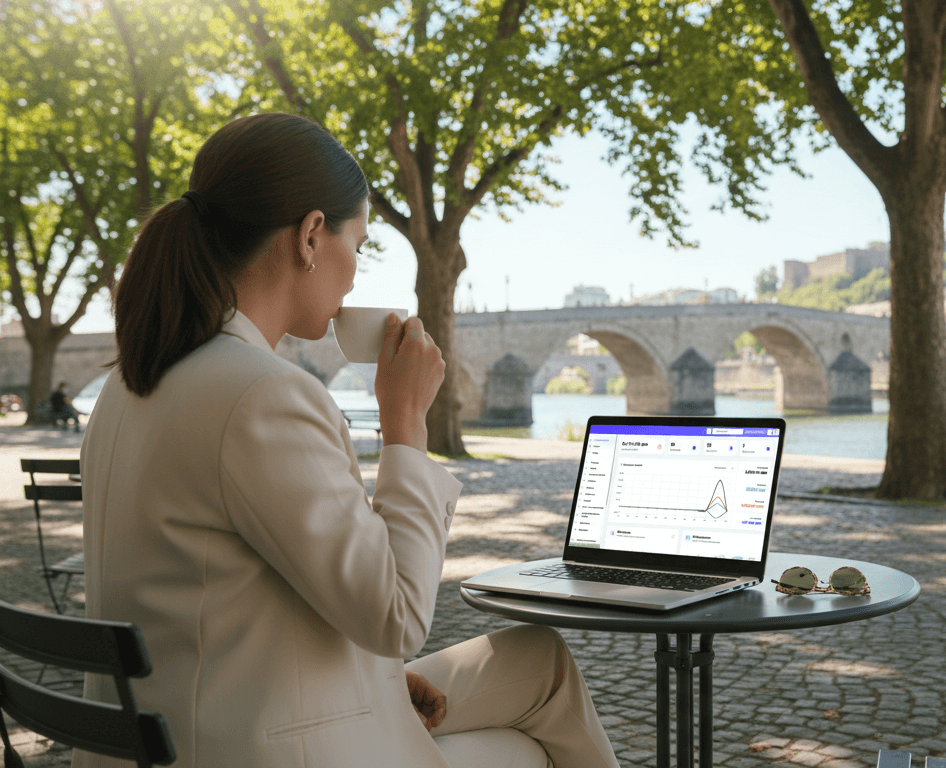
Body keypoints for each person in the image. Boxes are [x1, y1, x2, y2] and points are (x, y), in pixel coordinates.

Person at [76, 113, 620, 768]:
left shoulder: (129, 385)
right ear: (311, 236)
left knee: (538, 660)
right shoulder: (263, 394)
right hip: (259, 748)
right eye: (358, 246)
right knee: (521, 748)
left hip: (184, 726)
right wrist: (405, 425)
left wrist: (378, 679)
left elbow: (230, 595)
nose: (356, 276)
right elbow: (396, 616)